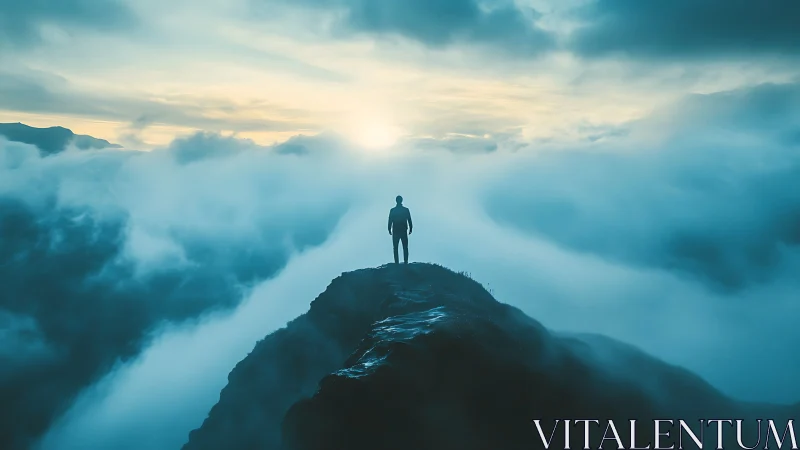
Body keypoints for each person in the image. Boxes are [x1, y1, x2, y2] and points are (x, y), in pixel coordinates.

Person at [388, 195, 413, 264]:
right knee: (404, 247)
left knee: (397, 247)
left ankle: (397, 262)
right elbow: (409, 219)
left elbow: (390, 220)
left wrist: (389, 229)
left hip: (397, 230)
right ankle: (405, 262)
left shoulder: (393, 210)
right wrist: (411, 228)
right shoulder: (405, 210)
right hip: (402, 230)